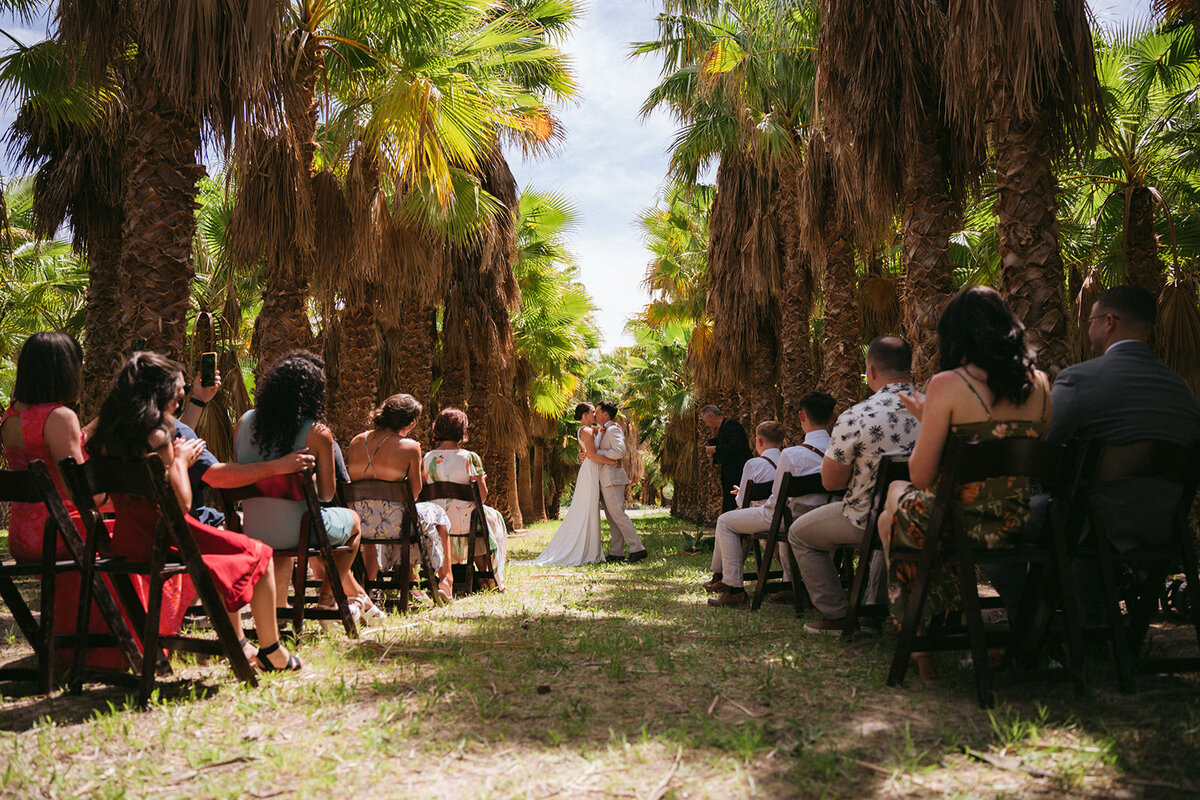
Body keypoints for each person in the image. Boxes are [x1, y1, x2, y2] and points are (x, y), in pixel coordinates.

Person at [88, 352, 300, 671]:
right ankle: (272, 651)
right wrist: (180, 462)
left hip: (127, 541)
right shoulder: (161, 436)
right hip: (169, 538)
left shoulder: (109, 436)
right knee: (260, 553)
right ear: (160, 393)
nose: (179, 398)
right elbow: (181, 504)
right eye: (177, 391)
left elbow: (99, 498)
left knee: (239, 553)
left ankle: (242, 644)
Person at [876, 287, 1051, 642]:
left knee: (892, 501)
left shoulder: (948, 384)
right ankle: (934, 623)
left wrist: (929, 421)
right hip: (1019, 519)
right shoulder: (1042, 383)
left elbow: (921, 477)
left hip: (961, 522)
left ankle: (918, 633)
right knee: (894, 509)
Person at [0, 331, 154, 670]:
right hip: (61, 535)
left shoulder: (11, 417)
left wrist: (111, 412)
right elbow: (86, 495)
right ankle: (133, 638)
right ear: (63, 370)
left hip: (24, 539)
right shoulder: (60, 417)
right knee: (141, 533)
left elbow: (63, 441)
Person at [1047, 285, 1200, 551]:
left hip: (1092, 529)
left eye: (1089, 321)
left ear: (1108, 323)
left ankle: (1046, 594)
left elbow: (1045, 446)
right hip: (1161, 530)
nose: (1087, 330)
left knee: (999, 520)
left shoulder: (1078, 379)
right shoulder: (1182, 390)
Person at [788, 337, 920, 636]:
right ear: (908, 368)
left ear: (871, 371)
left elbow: (831, 482)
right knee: (887, 526)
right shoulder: (934, 408)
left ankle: (836, 615)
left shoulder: (858, 416)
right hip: (924, 513)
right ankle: (871, 613)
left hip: (864, 517)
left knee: (799, 534)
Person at [233, 351, 373, 621]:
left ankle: (280, 609)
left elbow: (245, 474)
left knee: (283, 542)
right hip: (299, 530)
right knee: (354, 522)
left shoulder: (244, 421)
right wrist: (305, 478)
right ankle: (327, 600)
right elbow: (327, 494)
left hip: (253, 529)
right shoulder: (317, 432)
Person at [705, 392, 837, 606]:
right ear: (832, 419)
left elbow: (776, 501)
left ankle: (734, 589)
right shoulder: (840, 451)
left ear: (802, 416)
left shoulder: (792, 455)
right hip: (827, 516)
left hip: (787, 519)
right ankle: (789, 584)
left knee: (725, 521)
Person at [174, 368, 317, 528]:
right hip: (194, 526)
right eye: (184, 389)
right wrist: (280, 465)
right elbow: (217, 477)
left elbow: (177, 431)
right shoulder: (177, 434)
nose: (183, 394)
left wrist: (198, 400)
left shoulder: (154, 430)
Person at [346, 393, 453, 605]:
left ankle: (372, 585)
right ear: (411, 422)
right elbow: (413, 494)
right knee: (438, 515)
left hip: (360, 524)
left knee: (373, 509)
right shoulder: (410, 446)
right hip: (397, 526)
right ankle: (445, 582)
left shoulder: (357, 441)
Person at [424, 408, 509, 591]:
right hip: (465, 522)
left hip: (437, 523)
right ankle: (488, 575)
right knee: (489, 517)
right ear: (461, 432)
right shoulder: (470, 458)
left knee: (478, 516)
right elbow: (482, 496)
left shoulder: (427, 458)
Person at [704, 420, 786, 607]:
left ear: (758, 441)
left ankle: (731, 584)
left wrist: (740, 493)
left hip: (767, 517)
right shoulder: (788, 458)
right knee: (733, 523)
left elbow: (742, 502)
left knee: (726, 521)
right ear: (781, 441)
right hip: (788, 516)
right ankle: (722, 576)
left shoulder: (754, 463)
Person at [523, 402, 605, 567]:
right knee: (586, 508)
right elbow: (593, 454)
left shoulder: (588, 429)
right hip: (589, 471)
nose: (595, 415)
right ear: (584, 415)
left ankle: (591, 547)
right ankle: (586, 549)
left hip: (590, 469)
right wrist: (612, 460)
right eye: (591, 412)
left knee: (588, 508)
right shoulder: (587, 430)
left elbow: (602, 430)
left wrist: (607, 428)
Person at [590, 401, 647, 562]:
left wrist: (597, 453)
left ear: (605, 414)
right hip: (605, 479)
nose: (595, 414)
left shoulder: (613, 429)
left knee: (618, 515)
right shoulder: (604, 429)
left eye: (598, 411)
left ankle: (638, 549)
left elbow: (619, 451)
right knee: (612, 517)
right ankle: (617, 552)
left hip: (613, 478)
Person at [701, 405, 753, 513]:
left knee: (734, 503)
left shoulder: (731, 425)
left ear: (711, 416)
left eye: (705, 421)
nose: (706, 424)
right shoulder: (723, 428)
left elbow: (736, 446)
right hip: (729, 473)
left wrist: (715, 449)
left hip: (738, 472)